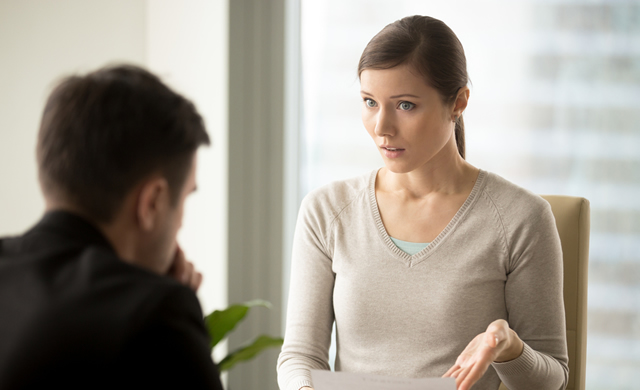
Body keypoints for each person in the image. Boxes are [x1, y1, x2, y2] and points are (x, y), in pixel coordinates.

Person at [277, 15, 568, 390]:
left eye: (405, 106)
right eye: (369, 102)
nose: (381, 127)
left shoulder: (520, 219)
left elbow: (554, 380)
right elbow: (301, 354)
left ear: (458, 103)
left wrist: (508, 347)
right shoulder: (326, 211)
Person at [0, 65, 223, 389]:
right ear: (152, 203)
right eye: (185, 199)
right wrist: (166, 306)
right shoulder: (157, 316)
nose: (181, 224)